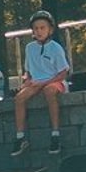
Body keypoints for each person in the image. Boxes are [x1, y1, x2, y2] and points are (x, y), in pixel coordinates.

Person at [12, 12, 72, 150]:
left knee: (49, 91)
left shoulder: (55, 47)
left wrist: (44, 83)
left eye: (42, 28)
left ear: (50, 29)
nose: (39, 31)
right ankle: (20, 137)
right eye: (36, 28)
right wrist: (26, 81)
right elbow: (28, 72)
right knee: (19, 98)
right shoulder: (30, 48)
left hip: (54, 81)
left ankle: (55, 134)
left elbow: (63, 73)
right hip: (36, 82)